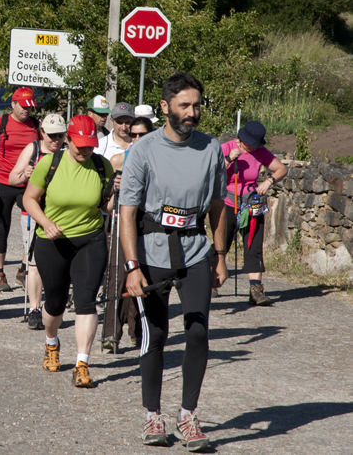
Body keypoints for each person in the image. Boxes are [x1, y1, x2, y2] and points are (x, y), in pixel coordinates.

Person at [119, 72, 228, 451]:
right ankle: (153, 415)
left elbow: (218, 205)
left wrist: (220, 255)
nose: (192, 112)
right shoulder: (144, 150)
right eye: (184, 105)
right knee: (157, 335)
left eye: (196, 105)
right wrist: (132, 267)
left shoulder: (212, 148)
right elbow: (128, 212)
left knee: (198, 331)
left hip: (197, 251)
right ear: (165, 106)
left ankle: (188, 417)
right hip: (152, 255)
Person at [22, 115, 117, 388]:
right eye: (80, 146)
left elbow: (106, 208)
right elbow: (29, 198)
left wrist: (116, 195)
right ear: (68, 139)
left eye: (90, 146)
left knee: (86, 300)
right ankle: (51, 342)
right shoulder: (49, 164)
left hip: (90, 239)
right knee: (55, 304)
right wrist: (45, 222)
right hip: (52, 241)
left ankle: (82, 364)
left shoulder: (102, 166)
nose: (86, 151)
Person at [8, 113, 67, 330]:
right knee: (34, 264)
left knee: (59, 264)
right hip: (34, 214)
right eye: (51, 135)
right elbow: (12, 178)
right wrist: (25, 174)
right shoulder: (33, 149)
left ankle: (53, 308)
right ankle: (34, 309)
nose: (55, 140)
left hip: (61, 216)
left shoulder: (69, 152)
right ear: (42, 133)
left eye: (60, 136)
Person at [219, 120, 287, 305]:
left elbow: (282, 169)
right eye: (249, 142)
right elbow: (209, 171)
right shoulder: (226, 148)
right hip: (226, 201)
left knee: (254, 243)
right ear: (241, 138)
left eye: (255, 144)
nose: (251, 147)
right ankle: (212, 278)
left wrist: (269, 181)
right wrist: (227, 160)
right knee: (222, 243)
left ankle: (256, 289)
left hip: (250, 203)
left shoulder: (259, 152)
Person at [102, 115, 155, 350]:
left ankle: (137, 331)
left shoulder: (158, 161)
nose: (135, 139)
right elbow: (106, 206)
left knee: (143, 278)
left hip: (150, 225)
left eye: (141, 135)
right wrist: (114, 189)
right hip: (122, 223)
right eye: (132, 134)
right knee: (118, 277)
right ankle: (111, 333)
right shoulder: (117, 160)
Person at [0, 87, 41, 291]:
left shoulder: (35, 125)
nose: (27, 110)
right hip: (2, 183)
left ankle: (24, 269)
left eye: (30, 107)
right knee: (2, 228)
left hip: (28, 185)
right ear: (13, 104)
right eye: (23, 106)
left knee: (32, 225)